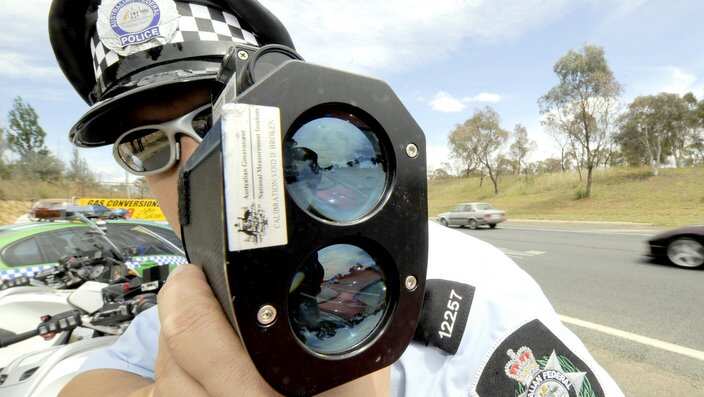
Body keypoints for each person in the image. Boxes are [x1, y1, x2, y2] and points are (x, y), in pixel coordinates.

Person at [51, 1, 624, 396]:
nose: (192, 159)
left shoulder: (463, 283)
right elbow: (85, 379)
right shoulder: (189, 299)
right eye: (147, 144)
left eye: (216, 118)